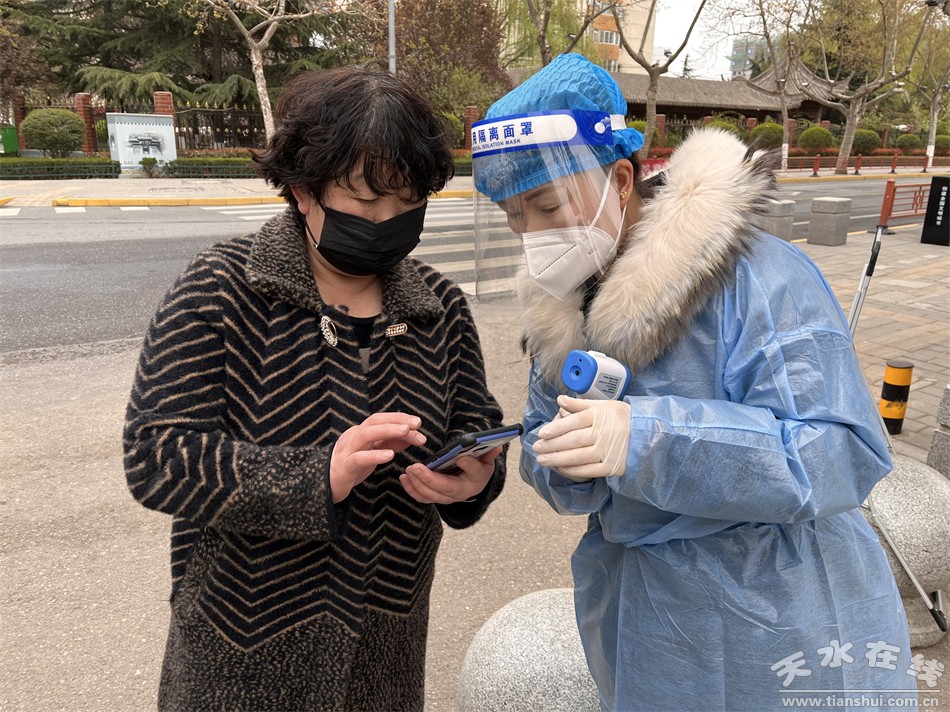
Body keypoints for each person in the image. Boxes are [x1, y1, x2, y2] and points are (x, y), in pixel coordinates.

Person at [472, 53, 916, 711]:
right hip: (643, 616)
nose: (532, 234)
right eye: (514, 215)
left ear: (620, 179)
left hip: (784, 605)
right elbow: (549, 446)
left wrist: (649, 439)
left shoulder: (757, 279)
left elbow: (840, 451)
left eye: (546, 205)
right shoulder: (561, 307)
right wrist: (565, 463)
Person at [123, 66, 507, 711]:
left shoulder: (438, 306)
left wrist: (474, 479)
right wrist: (317, 475)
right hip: (240, 646)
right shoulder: (220, 290)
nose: (386, 220)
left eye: (407, 204)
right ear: (303, 191)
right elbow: (156, 456)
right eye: (364, 202)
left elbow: (475, 423)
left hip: (386, 645)